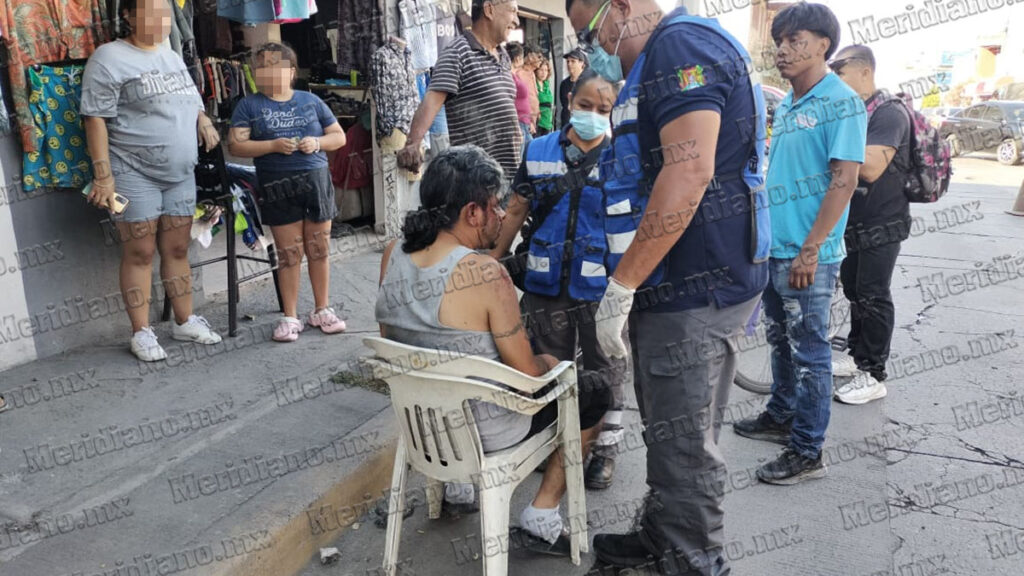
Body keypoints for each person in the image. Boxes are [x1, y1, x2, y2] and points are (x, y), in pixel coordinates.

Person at [567, 0, 771, 573]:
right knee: (668, 426)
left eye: (592, 31)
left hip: (694, 283)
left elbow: (688, 171)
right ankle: (663, 534)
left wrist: (621, 285)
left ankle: (691, 560)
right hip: (674, 282)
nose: (593, 48)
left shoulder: (682, 47)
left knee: (683, 438)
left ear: (621, 7)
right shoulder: (662, 55)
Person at [376, 146, 609, 554]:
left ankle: (458, 488)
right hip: (486, 433)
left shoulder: (392, 253)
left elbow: (393, 340)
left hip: (421, 428)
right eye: (495, 206)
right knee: (594, 390)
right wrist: (552, 363)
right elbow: (527, 377)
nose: (502, 216)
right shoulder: (484, 273)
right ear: (472, 213)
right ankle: (541, 516)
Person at [732, 3, 867, 485]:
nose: (783, 50)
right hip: (776, 248)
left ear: (823, 45)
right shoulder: (789, 102)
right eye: (779, 42)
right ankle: (782, 414)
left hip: (808, 256)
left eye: (795, 40)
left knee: (810, 354)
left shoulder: (841, 102)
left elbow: (844, 180)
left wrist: (811, 249)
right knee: (780, 340)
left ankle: (808, 450)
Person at [490, 70, 618, 546]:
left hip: (599, 285)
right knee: (548, 366)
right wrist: (494, 258)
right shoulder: (539, 149)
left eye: (603, 110)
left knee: (602, 371)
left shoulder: (621, 155)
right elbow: (517, 208)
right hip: (545, 282)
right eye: (586, 105)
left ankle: (603, 447)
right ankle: (554, 446)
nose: (593, 116)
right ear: (569, 101)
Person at [82, 0, 223, 362]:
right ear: (128, 15)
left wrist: (203, 119)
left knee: (177, 249)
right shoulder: (108, 58)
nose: (160, 20)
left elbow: (191, 99)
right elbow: (94, 118)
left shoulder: (170, 56)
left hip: (180, 174)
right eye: (150, 12)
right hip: (133, 173)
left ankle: (184, 321)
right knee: (140, 252)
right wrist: (103, 176)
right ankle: (141, 332)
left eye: (164, 13)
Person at [228, 43, 348, 342]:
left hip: (315, 181)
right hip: (277, 185)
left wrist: (316, 143)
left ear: (291, 72)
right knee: (289, 253)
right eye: (260, 66)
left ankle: (322, 309)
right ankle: (290, 316)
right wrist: (272, 145)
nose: (265, 71)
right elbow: (236, 145)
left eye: (273, 65)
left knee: (319, 249)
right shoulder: (249, 105)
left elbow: (339, 137)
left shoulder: (310, 100)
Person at [829, 45, 911, 404]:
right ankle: (856, 354)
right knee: (854, 288)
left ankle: (874, 373)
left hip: (884, 220)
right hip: (855, 218)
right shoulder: (858, 111)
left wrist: (831, 148)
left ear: (864, 72)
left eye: (841, 71)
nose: (836, 78)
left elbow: (873, 168)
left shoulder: (889, 113)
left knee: (874, 293)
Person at [395, 0, 522, 180]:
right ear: (489, 10)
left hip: (508, 173)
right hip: (475, 178)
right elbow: (431, 100)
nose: (516, 21)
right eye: (512, 11)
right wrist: (413, 144)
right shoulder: (457, 52)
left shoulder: (503, 56)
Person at [509, 43, 535, 146]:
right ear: (518, 58)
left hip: (524, 121)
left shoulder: (515, 75)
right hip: (518, 122)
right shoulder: (510, 76)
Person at [559, 48, 588, 128]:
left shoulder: (588, 83)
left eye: (573, 61)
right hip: (566, 124)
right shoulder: (564, 84)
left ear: (581, 63)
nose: (569, 64)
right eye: (568, 62)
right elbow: (564, 104)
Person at [535, 58, 555, 136]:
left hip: (548, 123)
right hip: (538, 123)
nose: (544, 73)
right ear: (536, 70)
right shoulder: (534, 84)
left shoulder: (547, 84)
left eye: (546, 70)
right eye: (541, 70)